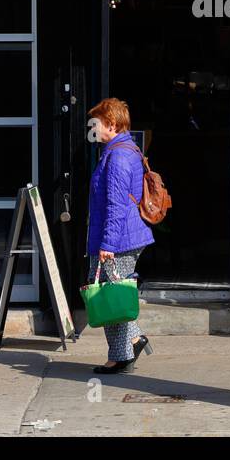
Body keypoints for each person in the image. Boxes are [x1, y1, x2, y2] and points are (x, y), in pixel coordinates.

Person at [86, 97, 155, 375]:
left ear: (111, 124)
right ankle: (135, 340)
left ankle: (121, 357)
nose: (93, 128)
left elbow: (116, 205)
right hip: (125, 236)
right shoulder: (124, 150)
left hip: (121, 239)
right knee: (115, 294)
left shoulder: (117, 156)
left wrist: (107, 245)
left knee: (110, 296)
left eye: (97, 123)